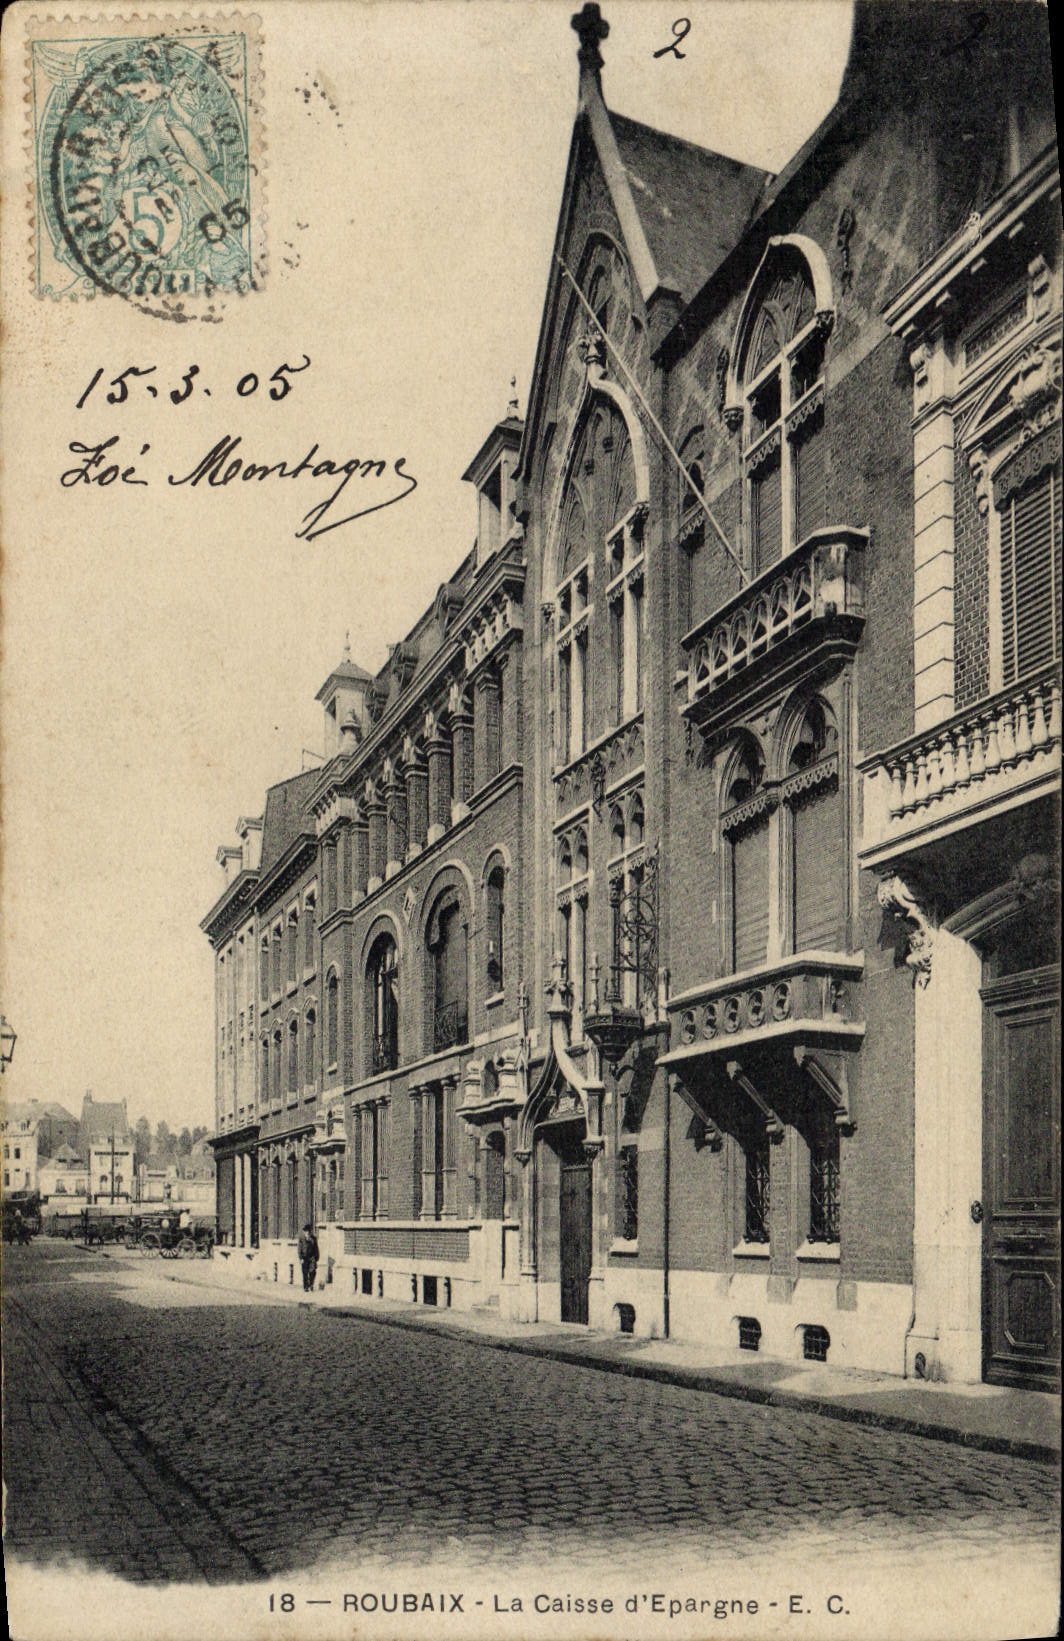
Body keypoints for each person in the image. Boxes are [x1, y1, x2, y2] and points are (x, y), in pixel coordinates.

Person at [297, 1223, 319, 1293]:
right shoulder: (301, 1239)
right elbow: (299, 1249)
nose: (308, 1233)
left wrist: (316, 1258)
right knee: (305, 1273)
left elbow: (316, 1249)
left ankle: (311, 1284)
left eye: (309, 1231)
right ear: (304, 1232)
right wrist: (301, 1258)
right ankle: (306, 1286)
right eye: (306, 1231)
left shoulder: (313, 1239)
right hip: (304, 1258)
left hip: (312, 1257)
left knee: (313, 1272)